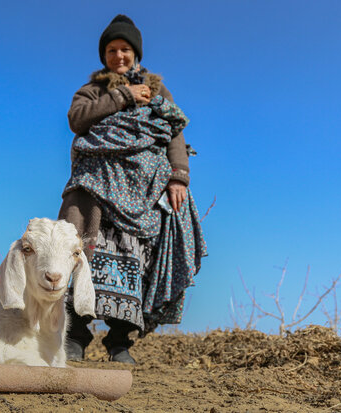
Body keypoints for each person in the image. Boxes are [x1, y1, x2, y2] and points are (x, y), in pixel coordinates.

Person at [59, 14, 207, 364]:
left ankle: (120, 342)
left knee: (134, 260)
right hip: (98, 188)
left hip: (144, 192)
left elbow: (174, 132)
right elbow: (77, 120)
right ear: (104, 55)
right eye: (112, 50)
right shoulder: (93, 90)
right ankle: (76, 336)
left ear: (135, 53)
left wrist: (178, 176)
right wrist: (124, 95)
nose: (119, 56)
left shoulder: (157, 91)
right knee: (87, 256)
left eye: (125, 49)